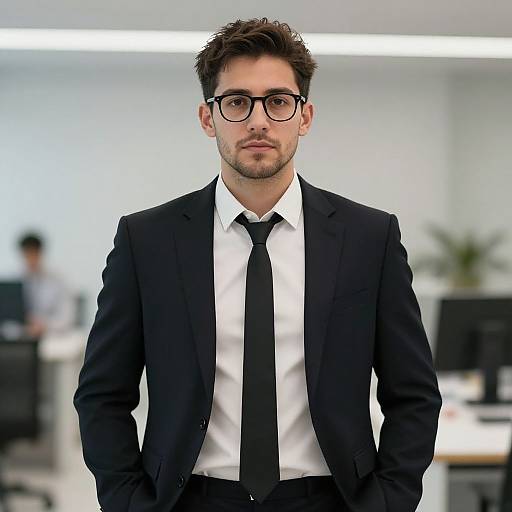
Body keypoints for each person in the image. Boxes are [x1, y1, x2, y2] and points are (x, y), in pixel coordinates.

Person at [73, 17, 442, 512]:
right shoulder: (148, 241)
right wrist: (127, 501)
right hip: (191, 499)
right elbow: (102, 394)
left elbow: (414, 393)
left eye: (278, 101)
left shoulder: (369, 238)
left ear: (304, 116)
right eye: (237, 101)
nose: (258, 120)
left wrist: (389, 500)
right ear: (209, 118)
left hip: (330, 499)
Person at [18, 232, 75, 337]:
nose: (30, 259)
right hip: (22, 337)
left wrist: (45, 325)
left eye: (33, 253)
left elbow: (67, 318)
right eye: (27, 254)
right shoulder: (16, 280)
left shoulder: (57, 280)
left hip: (51, 336)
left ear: (40, 253)